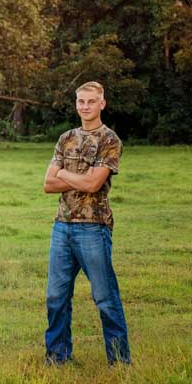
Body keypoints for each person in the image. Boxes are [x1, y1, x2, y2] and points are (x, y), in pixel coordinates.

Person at [42, 81, 130, 365]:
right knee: (56, 297)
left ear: (102, 103)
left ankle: (119, 362)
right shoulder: (66, 138)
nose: (85, 106)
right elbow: (47, 184)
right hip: (62, 227)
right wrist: (73, 178)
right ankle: (57, 358)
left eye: (91, 101)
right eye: (81, 101)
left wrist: (65, 174)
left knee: (105, 298)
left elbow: (94, 184)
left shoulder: (110, 140)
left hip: (94, 227)